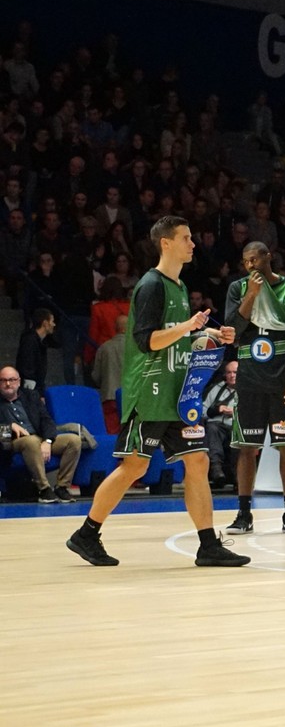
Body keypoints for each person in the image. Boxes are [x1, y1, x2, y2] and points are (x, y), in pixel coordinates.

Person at [65, 216, 247, 567]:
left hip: (177, 395)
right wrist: (188, 326)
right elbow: (147, 341)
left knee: (198, 461)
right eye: (186, 238)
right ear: (166, 243)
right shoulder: (150, 285)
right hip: (149, 393)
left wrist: (207, 335)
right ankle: (86, 533)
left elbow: (175, 339)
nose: (193, 244)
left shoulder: (180, 286)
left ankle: (208, 545)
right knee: (133, 467)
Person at [222, 242, 285, 536]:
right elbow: (233, 330)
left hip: (282, 380)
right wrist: (251, 294)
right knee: (247, 448)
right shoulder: (238, 288)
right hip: (249, 380)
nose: (251, 265)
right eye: (246, 261)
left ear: (268, 257)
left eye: (255, 259)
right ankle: (243, 514)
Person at [0, 365, 81, 503]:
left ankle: (62, 487)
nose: (8, 384)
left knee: (73, 440)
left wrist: (47, 441)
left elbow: (46, 419)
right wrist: (9, 426)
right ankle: (44, 489)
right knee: (31, 441)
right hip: (14, 441)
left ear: (19, 382)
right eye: (3, 380)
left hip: (39, 437)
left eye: (12, 380)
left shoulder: (31, 396)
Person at [203, 360, 239, 491]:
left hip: (237, 425)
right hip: (217, 425)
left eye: (235, 372)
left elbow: (255, 413)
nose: (232, 375)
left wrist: (234, 413)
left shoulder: (248, 390)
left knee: (239, 435)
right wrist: (217, 410)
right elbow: (202, 411)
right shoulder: (217, 388)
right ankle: (217, 471)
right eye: (229, 372)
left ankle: (239, 479)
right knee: (212, 428)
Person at [92, 314, 128, 432]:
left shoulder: (104, 347)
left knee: (111, 433)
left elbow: (96, 376)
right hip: (130, 397)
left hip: (109, 396)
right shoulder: (136, 348)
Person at [16, 307, 54, 393]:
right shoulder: (30, 341)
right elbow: (27, 367)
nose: (54, 324)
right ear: (45, 323)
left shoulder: (37, 341)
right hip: (30, 390)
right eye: (52, 321)